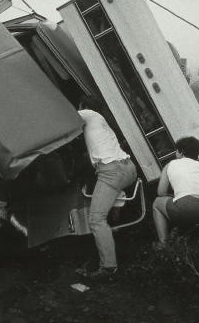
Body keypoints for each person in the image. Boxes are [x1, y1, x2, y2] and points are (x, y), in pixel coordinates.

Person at [77, 95, 137, 279]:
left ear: (83, 105)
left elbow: (62, 121)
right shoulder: (101, 122)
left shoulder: (87, 114)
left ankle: (109, 267)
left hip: (112, 171)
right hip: (128, 168)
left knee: (96, 219)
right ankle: (114, 221)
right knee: (104, 196)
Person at [152, 136, 199, 247]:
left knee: (157, 203)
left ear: (180, 152)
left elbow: (160, 193)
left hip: (188, 207)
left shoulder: (170, 165)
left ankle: (163, 244)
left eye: (176, 150)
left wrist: (175, 196)